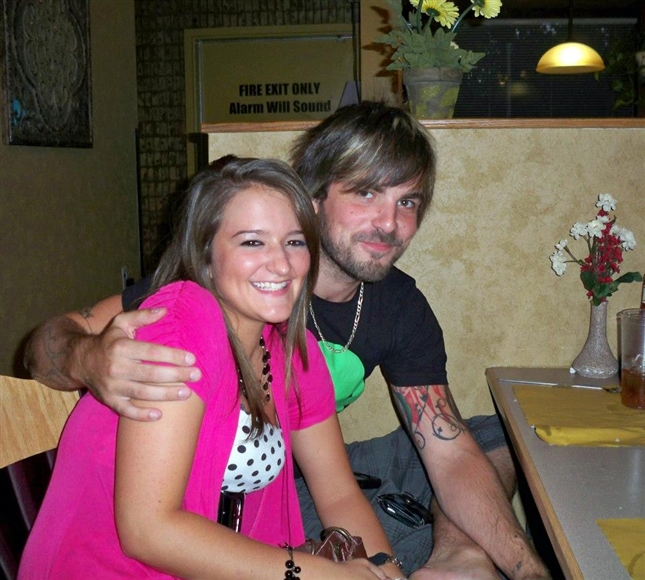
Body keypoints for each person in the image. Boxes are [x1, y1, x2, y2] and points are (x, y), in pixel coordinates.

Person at [25, 103, 548, 580]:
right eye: (366, 192)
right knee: (402, 541)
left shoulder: (299, 345)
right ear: (314, 201)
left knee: (494, 434)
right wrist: (86, 356)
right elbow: (148, 529)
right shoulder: (184, 314)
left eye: (406, 201)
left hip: (256, 509)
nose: (389, 223)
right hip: (138, 552)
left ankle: (460, 558)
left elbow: (358, 484)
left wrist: (520, 570)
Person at [19, 156, 404, 580]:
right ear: (205, 255)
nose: (282, 264)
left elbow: (339, 494)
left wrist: (386, 570)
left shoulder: (292, 352)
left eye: (294, 242)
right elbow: (148, 531)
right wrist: (316, 574)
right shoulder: (181, 323)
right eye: (252, 242)